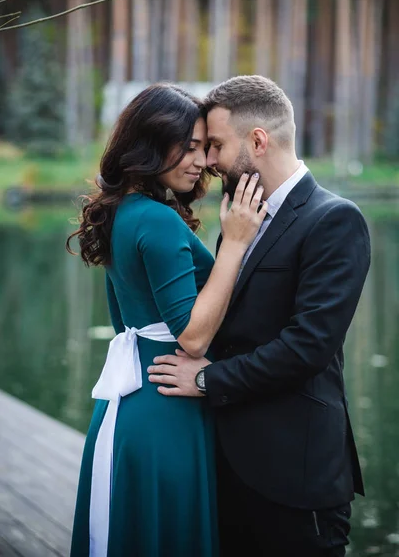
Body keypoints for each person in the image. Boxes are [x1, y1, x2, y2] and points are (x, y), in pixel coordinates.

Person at [148, 75, 371, 557]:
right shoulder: (239, 217)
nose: (208, 161)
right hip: (227, 467)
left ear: (257, 140)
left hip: (296, 476)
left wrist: (207, 380)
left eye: (216, 146)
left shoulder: (334, 220)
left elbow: (308, 346)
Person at [66, 82, 267, 557]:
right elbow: (193, 338)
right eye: (191, 147)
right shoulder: (156, 220)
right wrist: (235, 243)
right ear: (152, 143)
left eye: (206, 147)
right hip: (166, 410)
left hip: (135, 402)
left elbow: (124, 319)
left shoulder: (124, 211)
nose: (202, 161)